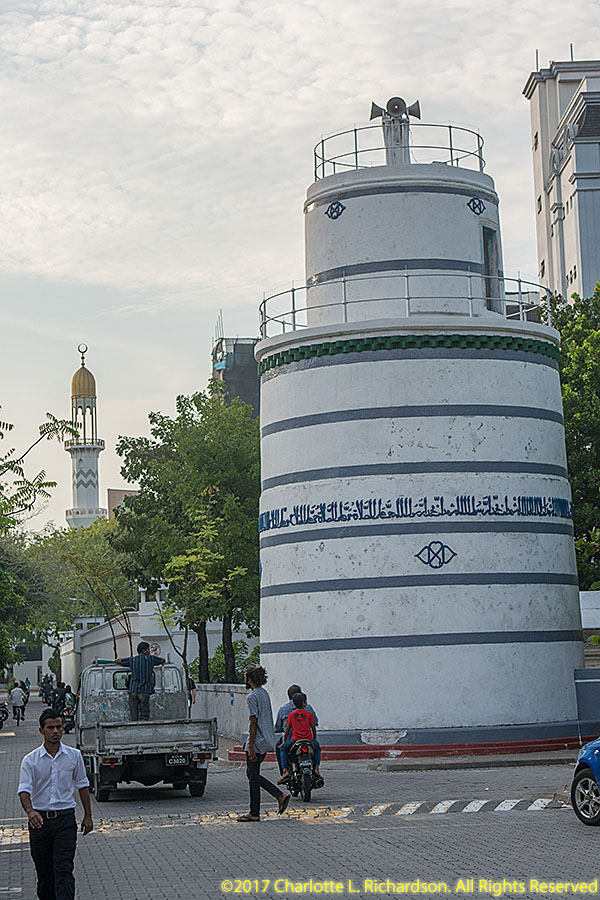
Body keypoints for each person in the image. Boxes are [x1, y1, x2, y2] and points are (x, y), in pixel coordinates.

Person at [18, 708, 93, 900]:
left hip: (65, 820)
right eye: (50, 728)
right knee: (45, 874)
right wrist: (30, 811)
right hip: (40, 822)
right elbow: (24, 790)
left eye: (59, 727)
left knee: (64, 869)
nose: (55, 731)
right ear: (41, 731)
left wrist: (88, 815)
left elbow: (82, 785)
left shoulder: (73, 756)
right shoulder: (30, 760)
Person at [237, 666, 290, 823]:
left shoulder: (252, 697)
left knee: (253, 778)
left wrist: (251, 746)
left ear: (250, 680)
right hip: (267, 739)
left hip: (258, 741)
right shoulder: (264, 693)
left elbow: (253, 722)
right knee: (251, 774)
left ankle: (255, 811)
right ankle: (279, 796)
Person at [115, 641, 165, 721]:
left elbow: (119, 661)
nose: (149, 651)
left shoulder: (133, 660)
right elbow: (162, 660)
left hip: (133, 690)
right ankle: (143, 727)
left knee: (134, 715)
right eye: (148, 649)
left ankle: (134, 726)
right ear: (143, 650)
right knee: (144, 714)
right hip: (144, 690)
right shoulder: (151, 659)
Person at [274, 683, 319, 774]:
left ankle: (284, 771)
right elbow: (314, 724)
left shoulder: (284, 710)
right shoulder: (308, 709)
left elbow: (282, 728)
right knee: (317, 749)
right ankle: (316, 769)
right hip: (308, 738)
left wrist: (284, 741)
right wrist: (315, 738)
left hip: (293, 739)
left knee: (281, 748)